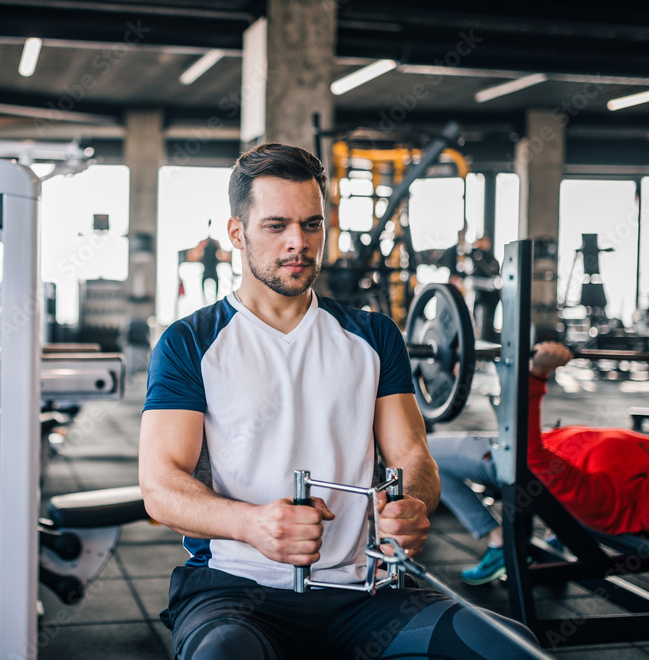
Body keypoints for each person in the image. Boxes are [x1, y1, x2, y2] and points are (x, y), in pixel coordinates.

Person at [139, 143, 539, 659]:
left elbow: (413, 457)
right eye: (276, 225)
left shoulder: (373, 335)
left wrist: (412, 503)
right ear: (237, 233)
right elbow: (160, 486)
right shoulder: (190, 341)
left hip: (366, 592)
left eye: (311, 225)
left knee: (512, 649)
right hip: (237, 591)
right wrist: (252, 524)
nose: (297, 243)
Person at [429, 341, 649, 585]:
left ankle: (499, 541)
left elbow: (531, 458)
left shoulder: (612, 499)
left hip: (514, 457)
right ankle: (553, 535)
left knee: (427, 454)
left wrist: (536, 373)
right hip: (539, 441)